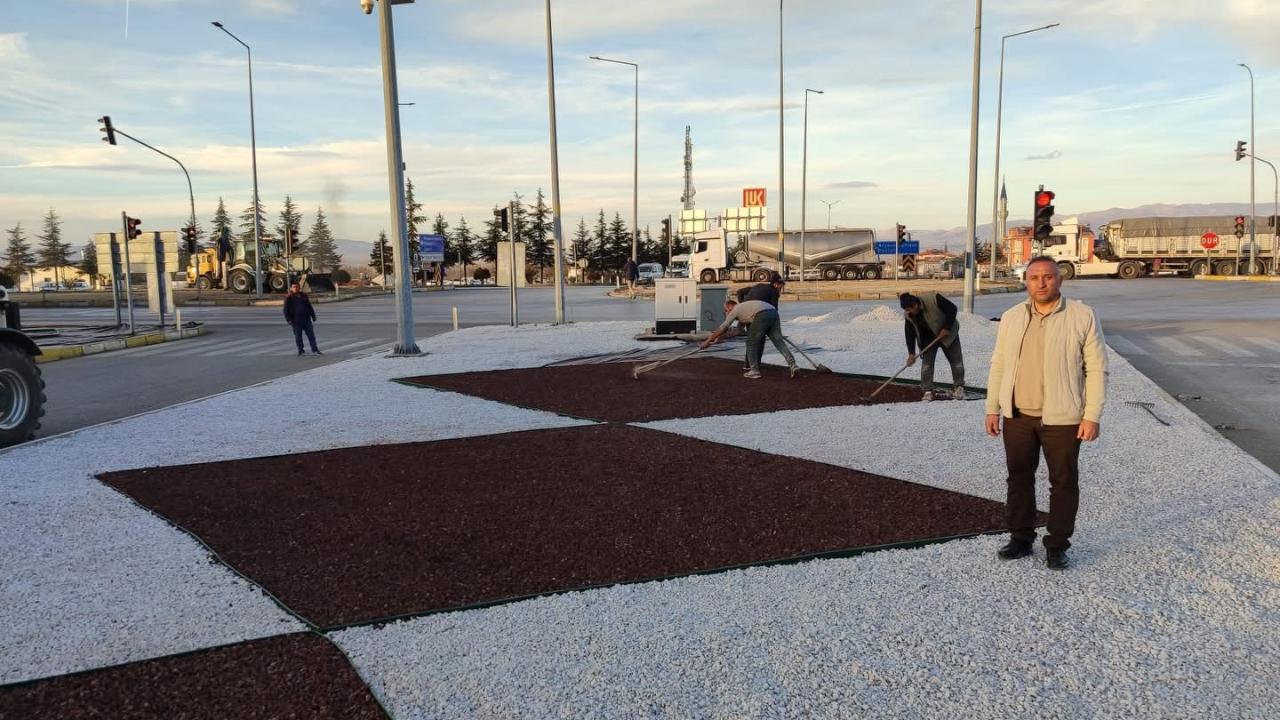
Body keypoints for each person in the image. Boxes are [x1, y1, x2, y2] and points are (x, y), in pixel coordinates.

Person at [985, 256, 1107, 570]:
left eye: (1048, 277)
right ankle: (1020, 537)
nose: (1041, 283)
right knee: (1019, 478)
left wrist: (1091, 415)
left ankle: (1057, 544)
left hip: (1063, 418)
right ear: (1026, 281)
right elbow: (999, 364)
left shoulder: (1082, 316)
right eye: (1034, 277)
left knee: (1063, 481)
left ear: (1060, 280)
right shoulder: (1012, 317)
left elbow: (1096, 368)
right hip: (1018, 416)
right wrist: (992, 408)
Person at [701, 298, 797, 379]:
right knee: (778, 341)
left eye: (726, 310)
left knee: (751, 342)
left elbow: (722, 327)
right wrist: (720, 338)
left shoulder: (735, 310)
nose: (726, 313)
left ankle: (754, 371)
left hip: (761, 314)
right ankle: (793, 365)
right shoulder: (743, 311)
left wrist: (707, 341)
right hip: (773, 312)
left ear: (730, 307)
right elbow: (737, 331)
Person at [900, 291, 965, 401]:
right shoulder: (908, 315)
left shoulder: (933, 298)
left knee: (956, 361)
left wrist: (946, 327)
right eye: (906, 310)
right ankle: (927, 390)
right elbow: (909, 334)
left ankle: (959, 387)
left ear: (915, 305)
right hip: (928, 339)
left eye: (909, 309)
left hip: (948, 334)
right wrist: (911, 353)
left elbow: (952, 309)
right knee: (927, 365)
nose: (908, 312)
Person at [283, 282, 321, 356]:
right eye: (294, 287)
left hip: (306, 319)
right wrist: (288, 320)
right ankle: (301, 351)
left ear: (299, 288)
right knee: (298, 337)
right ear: (291, 288)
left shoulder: (303, 296)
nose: (295, 288)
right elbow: (286, 310)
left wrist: (313, 316)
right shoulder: (289, 298)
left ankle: (315, 350)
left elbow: (309, 306)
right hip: (296, 321)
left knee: (311, 336)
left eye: (297, 287)